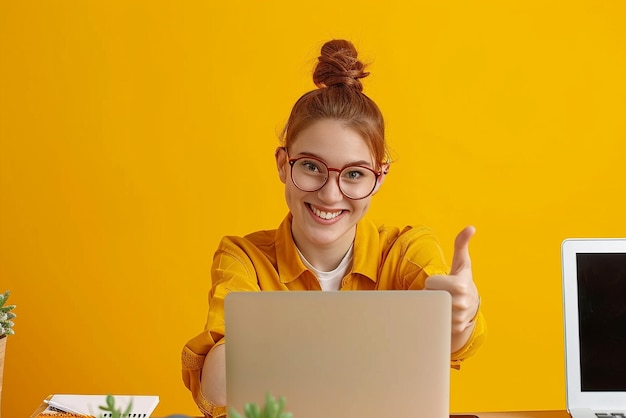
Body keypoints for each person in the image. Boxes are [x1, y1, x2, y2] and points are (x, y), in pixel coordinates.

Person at [181, 39, 486, 418]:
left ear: (379, 178)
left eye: (354, 174)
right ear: (282, 164)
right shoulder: (244, 258)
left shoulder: (408, 250)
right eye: (311, 166)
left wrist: (461, 315)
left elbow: (454, 342)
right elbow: (217, 386)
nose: (330, 193)